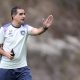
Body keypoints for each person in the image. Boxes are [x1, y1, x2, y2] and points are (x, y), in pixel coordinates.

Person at [0, 6, 53, 80]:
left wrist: (44, 27)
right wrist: (6, 54)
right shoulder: (4, 29)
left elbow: (37, 31)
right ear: (13, 16)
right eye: (21, 14)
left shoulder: (26, 28)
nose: (24, 16)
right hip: (5, 68)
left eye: (24, 14)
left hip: (22, 69)